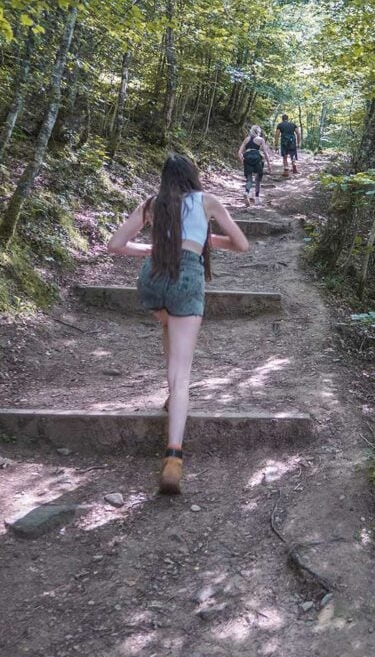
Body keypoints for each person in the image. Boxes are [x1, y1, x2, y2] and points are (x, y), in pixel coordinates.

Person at [107, 154, 249, 494]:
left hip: (153, 279)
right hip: (186, 279)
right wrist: (207, 241)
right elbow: (242, 245)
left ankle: (172, 397)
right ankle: (173, 456)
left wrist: (153, 249)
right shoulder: (207, 201)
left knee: (168, 326)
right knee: (182, 371)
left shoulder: (153, 203)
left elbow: (115, 245)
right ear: (192, 176)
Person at [238, 125, 274, 206]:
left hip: (247, 158)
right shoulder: (261, 139)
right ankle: (257, 198)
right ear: (259, 132)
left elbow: (239, 152)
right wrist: (269, 165)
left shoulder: (246, 139)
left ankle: (246, 192)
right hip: (257, 158)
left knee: (249, 180)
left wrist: (242, 159)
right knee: (258, 179)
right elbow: (265, 152)